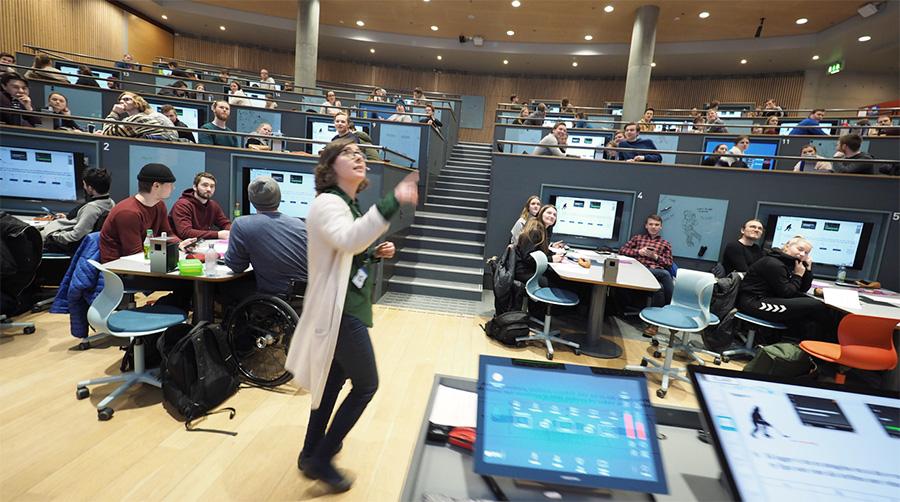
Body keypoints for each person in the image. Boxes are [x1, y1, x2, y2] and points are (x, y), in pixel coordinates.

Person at [285, 139, 419, 492]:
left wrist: (372, 254)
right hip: (340, 311)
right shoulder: (329, 202)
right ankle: (321, 459)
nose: (358, 156)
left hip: (345, 306)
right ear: (329, 167)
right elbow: (347, 240)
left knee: (331, 385)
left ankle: (310, 451)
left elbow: (349, 252)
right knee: (366, 385)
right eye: (348, 153)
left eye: (361, 154)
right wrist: (392, 201)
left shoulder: (346, 203)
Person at [737, 235, 840, 342]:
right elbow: (787, 293)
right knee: (816, 305)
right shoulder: (773, 263)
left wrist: (807, 270)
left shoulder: (790, 263)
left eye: (806, 253)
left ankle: (818, 346)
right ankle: (831, 342)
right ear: (787, 246)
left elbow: (802, 289)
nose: (802, 254)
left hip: (768, 299)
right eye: (800, 249)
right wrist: (798, 275)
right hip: (753, 303)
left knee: (813, 306)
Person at [224, 176, 309, 296]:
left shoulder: (242, 224)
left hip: (274, 299)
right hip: (305, 299)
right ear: (279, 197)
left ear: (251, 199)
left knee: (226, 288)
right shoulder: (300, 224)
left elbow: (236, 266)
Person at [100, 163, 194, 262]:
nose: (173, 188)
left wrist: (180, 244)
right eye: (170, 184)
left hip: (144, 259)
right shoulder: (128, 213)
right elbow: (135, 254)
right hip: (120, 267)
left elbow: (167, 234)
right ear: (156, 185)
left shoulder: (159, 204)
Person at [41, 168, 114, 253]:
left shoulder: (92, 208)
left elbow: (76, 236)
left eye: (84, 184)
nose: (84, 187)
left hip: (65, 244)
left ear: (90, 188)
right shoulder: (110, 203)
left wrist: (53, 236)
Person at [620, 214, 673, 308]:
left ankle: (670, 306)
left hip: (653, 270)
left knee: (665, 274)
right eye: (651, 224)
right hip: (637, 268)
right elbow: (622, 250)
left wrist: (655, 257)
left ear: (660, 227)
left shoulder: (665, 244)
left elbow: (669, 263)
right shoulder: (638, 238)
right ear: (646, 226)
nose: (653, 227)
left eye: (657, 225)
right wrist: (638, 252)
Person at [168, 172, 231, 241]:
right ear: (195, 187)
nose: (209, 189)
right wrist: (218, 234)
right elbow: (185, 232)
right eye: (205, 185)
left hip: (201, 244)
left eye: (212, 186)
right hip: (180, 246)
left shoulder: (213, 205)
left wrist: (230, 231)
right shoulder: (182, 205)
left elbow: (225, 223)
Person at [101, 91, 177, 140]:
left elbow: (107, 133)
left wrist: (115, 112)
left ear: (137, 103)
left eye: (126, 99)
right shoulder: (134, 118)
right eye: (120, 100)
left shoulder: (139, 118)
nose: (121, 101)